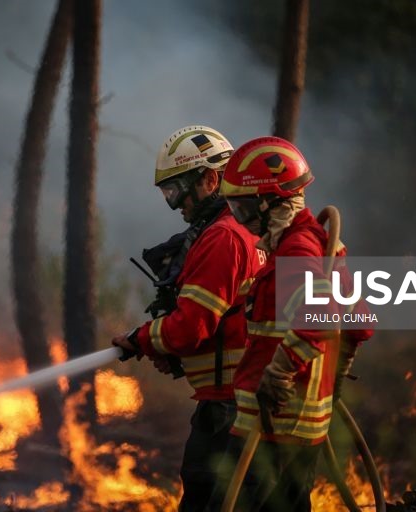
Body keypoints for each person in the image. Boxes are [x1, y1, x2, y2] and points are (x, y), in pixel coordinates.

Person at [209, 136, 374, 511]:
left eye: (242, 206)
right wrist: (336, 375)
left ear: (269, 202)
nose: (240, 218)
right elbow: (359, 323)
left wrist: (279, 375)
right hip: (298, 422)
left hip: (276, 422)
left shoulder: (298, 248)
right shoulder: (320, 240)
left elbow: (319, 321)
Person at [111, 125, 264, 511]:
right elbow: (225, 321)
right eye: (168, 193)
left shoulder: (223, 238)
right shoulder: (242, 230)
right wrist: (178, 354)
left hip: (228, 410)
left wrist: (142, 338)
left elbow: (194, 324)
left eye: (177, 189)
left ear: (211, 179)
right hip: (243, 404)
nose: (176, 204)